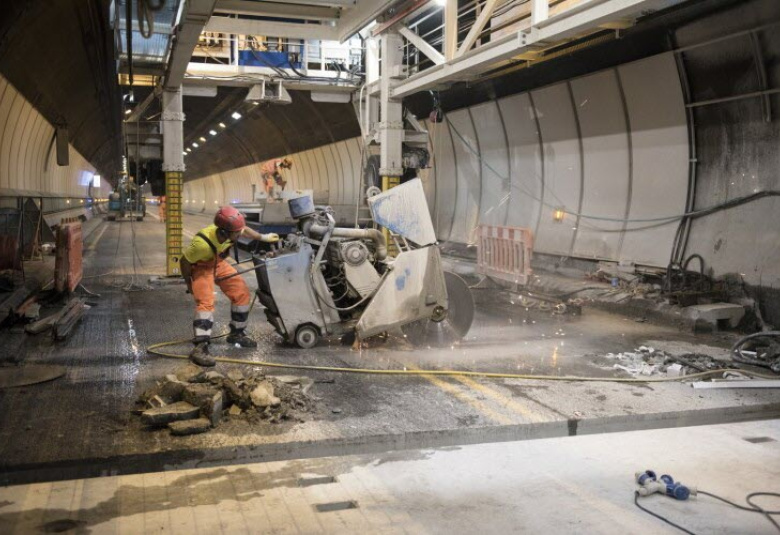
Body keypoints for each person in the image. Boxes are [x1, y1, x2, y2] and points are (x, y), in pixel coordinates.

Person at [180, 206, 279, 367]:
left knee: (241, 293)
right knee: (206, 303)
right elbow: (184, 261)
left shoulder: (231, 230)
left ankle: (237, 333)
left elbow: (244, 230)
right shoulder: (201, 245)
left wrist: (263, 237)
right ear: (224, 232)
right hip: (201, 267)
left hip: (218, 263)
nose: (239, 234)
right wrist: (188, 282)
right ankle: (200, 347)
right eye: (236, 232)